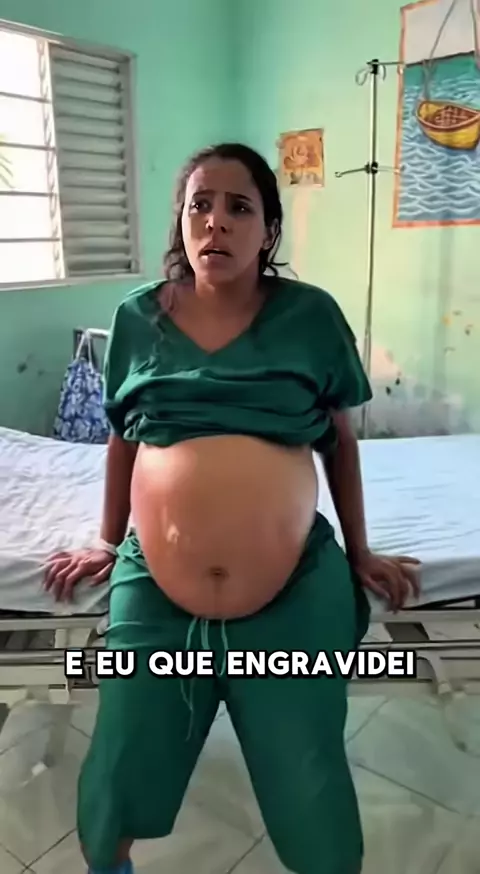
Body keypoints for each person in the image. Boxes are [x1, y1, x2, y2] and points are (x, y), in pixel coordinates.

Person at [44, 143, 420, 874]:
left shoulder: (310, 316)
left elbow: (339, 441)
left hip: (293, 587)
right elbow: (123, 440)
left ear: (268, 231)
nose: (215, 222)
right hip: (157, 585)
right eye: (200, 206)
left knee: (307, 769)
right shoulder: (137, 319)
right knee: (122, 753)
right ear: (182, 222)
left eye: (238, 207)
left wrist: (361, 550)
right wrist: (106, 540)